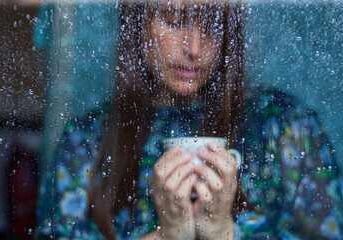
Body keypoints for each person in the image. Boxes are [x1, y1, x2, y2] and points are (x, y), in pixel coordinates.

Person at [36, 0, 343, 239]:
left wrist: (224, 233)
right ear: (137, 21)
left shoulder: (287, 126)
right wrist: (166, 235)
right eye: (174, 20)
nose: (194, 48)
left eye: (213, 25)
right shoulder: (86, 140)